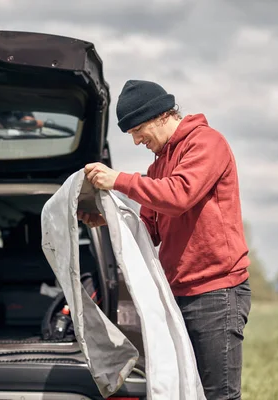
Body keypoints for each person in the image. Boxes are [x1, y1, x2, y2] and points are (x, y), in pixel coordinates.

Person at [79, 79, 251, 400]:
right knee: (187, 392)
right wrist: (106, 221)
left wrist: (118, 180)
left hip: (216, 294)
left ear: (161, 116)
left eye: (138, 130)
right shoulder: (158, 165)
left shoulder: (206, 144)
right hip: (178, 296)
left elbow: (179, 195)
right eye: (130, 134)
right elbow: (149, 227)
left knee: (219, 396)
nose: (136, 140)